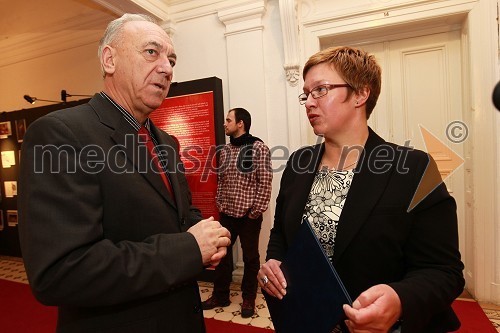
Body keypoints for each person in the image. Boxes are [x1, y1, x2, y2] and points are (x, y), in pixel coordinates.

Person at [18, 13, 231, 333]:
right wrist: (189, 249)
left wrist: (205, 235)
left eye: (172, 59)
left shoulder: (167, 143)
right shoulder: (61, 134)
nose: (167, 68)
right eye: (151, 52)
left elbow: (177, 216)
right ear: (109, 59)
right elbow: (61, 272)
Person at [258, 46, 464, 333]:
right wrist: (273, 262)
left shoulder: (412, 168)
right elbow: (281, 231)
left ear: (361, 94)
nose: (309, 103)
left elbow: (444, 272)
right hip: (306, 319)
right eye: (306, 94)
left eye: (321, 90)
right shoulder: (298, 163)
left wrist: (399, 299)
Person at [202, 108, 273, 318]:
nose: (225, 124)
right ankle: (220, 295)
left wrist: (255, 211)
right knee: (222, 257)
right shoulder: (224, 150)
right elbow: (222, 180)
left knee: (251, 258)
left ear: (240, 123)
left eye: (228, 120)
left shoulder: (258, 147)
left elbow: (265, 182)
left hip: (249, 216)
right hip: (227, 214)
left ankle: (249, 298)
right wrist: (220, 203)